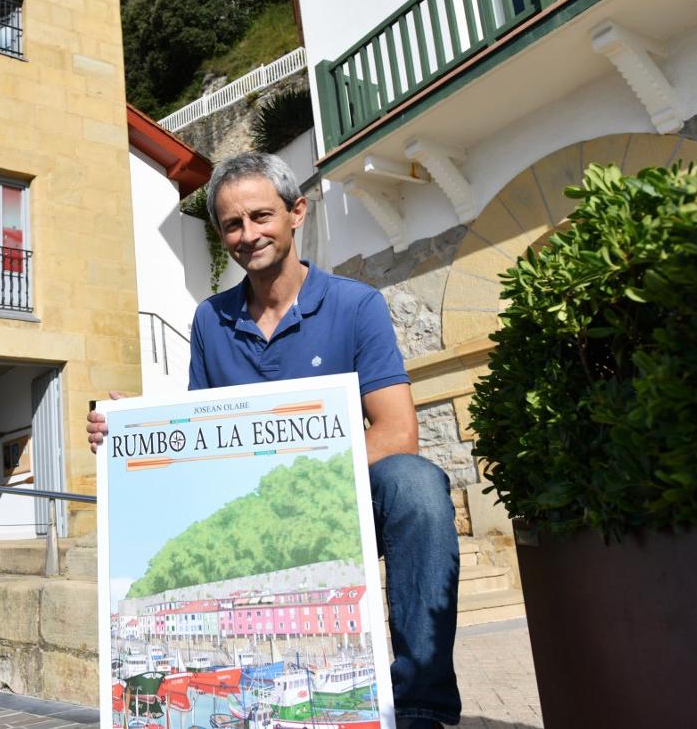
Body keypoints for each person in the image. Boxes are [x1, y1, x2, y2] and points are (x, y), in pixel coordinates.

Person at [87, 152, 461, 727]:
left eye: (261, 216)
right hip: (253, 519)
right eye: (232, 224)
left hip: (335, 500)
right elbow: (199, 438)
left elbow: (397, 431)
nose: (248, 234)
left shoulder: (355, 304)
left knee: (416, 484)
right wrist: (130, 430)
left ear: (297, 213)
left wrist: (298, 487)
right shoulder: (211, 320)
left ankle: (420, 704)